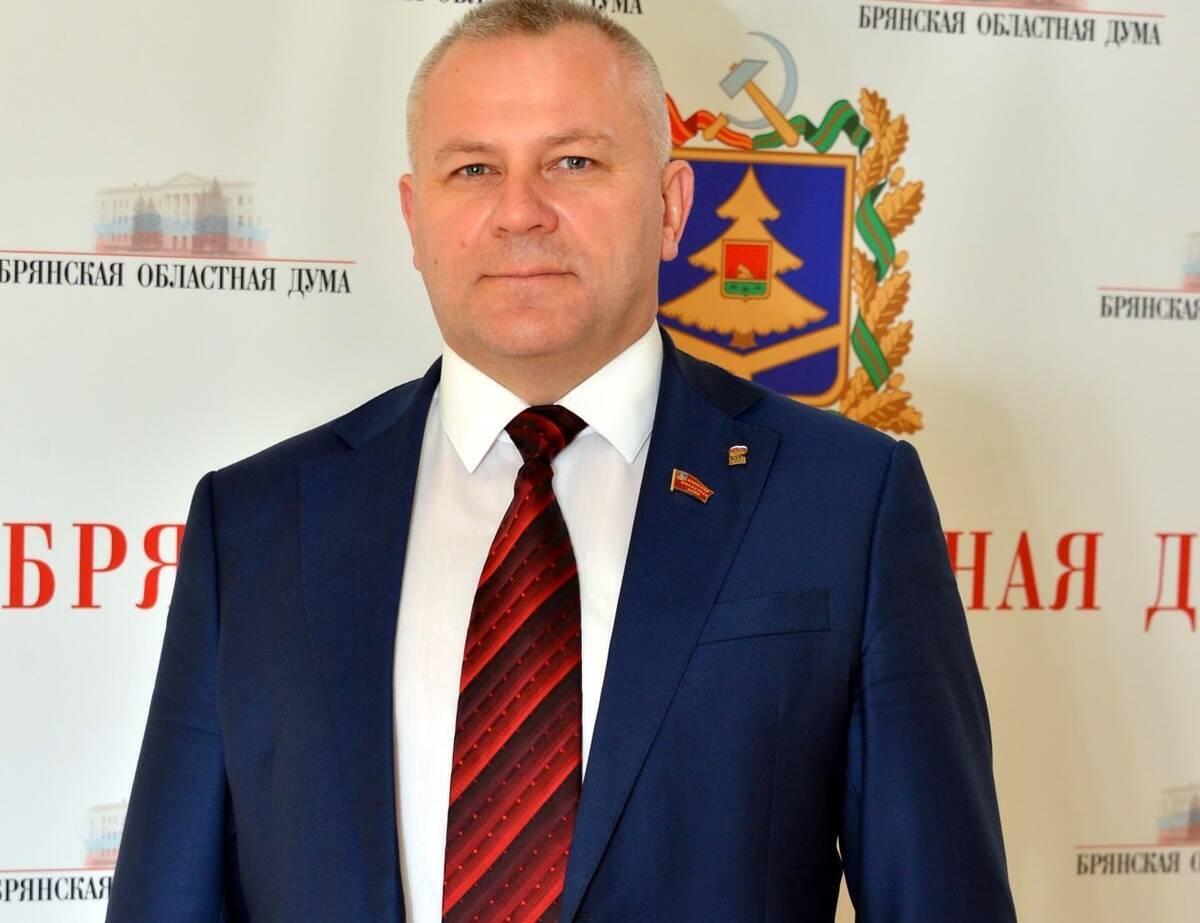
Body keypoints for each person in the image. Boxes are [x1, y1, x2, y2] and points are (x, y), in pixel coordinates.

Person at [107, 0, 1018, 920]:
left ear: (670, 207)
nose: (519, 212)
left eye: (573, 162)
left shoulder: (844, 502)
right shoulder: (255, 523)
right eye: (473, 169)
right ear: (415, 220)